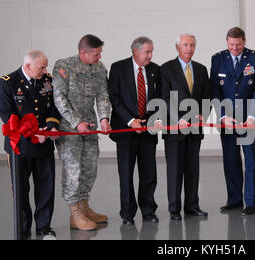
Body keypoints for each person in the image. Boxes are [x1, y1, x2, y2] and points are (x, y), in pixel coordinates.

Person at [0, 50, 60, 239]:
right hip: (20, 146)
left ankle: (44, 226)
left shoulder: (46, 80)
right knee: (21, 189)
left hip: (44, 145)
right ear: (27, 66)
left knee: (46, 187)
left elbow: (53, 107)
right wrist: (32, 133)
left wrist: (51, 127)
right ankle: (24, 227)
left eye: (45, 67)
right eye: (41, 67)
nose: (45, 70)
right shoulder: (8, 81)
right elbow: (7, 114)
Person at [53, 34, 112, 231]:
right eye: (96, 54)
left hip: (91, 128)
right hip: (69, 130)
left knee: (90, 169)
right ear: (83, 53)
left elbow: (103, 95)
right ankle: (74, 213)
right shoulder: (63, 67)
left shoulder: (100, 69)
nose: (99, 57)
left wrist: (104, 118)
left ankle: (84, 206)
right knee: (73, 171)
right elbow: (59, 98)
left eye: (100, 53)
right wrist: (77, 123)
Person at [210, 27, 255, 216]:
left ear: (244, 41)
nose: (235, 48)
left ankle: (251, 202)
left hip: (249, 119)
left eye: (239, 45)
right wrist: (222, 116)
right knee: (231, 160)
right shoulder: (217, 59)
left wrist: (251, 116)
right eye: (231, 44)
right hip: (227, 120)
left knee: (251, 161)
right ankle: (234, 199)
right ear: (227, 41)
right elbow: (215, 91)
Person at [108, 36, 161, 225]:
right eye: (147, 51)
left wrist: (155, 120)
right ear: (135, 51)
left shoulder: (155, 69)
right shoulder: (118, 68)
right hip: (126, 130)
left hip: (147, 130)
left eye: (151, 51)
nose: (150, 55)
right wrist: (131, 121)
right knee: (126, 173)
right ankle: (127, 213)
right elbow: (114, 98)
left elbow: (160, 99)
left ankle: (148, 210)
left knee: (149, 173)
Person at [160, 34, 211, 221]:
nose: (189, 48)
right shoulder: (166, 69)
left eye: (192, 45)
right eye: (185, 45)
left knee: (192, 170)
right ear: (177, 47)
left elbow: (207, 96)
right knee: (174, 170)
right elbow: (164, 98)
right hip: (174, 129)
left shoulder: (201, 69)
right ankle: (174, 209)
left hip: (195, 129)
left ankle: (192, 206)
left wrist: (203, 115)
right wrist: (178, 117)